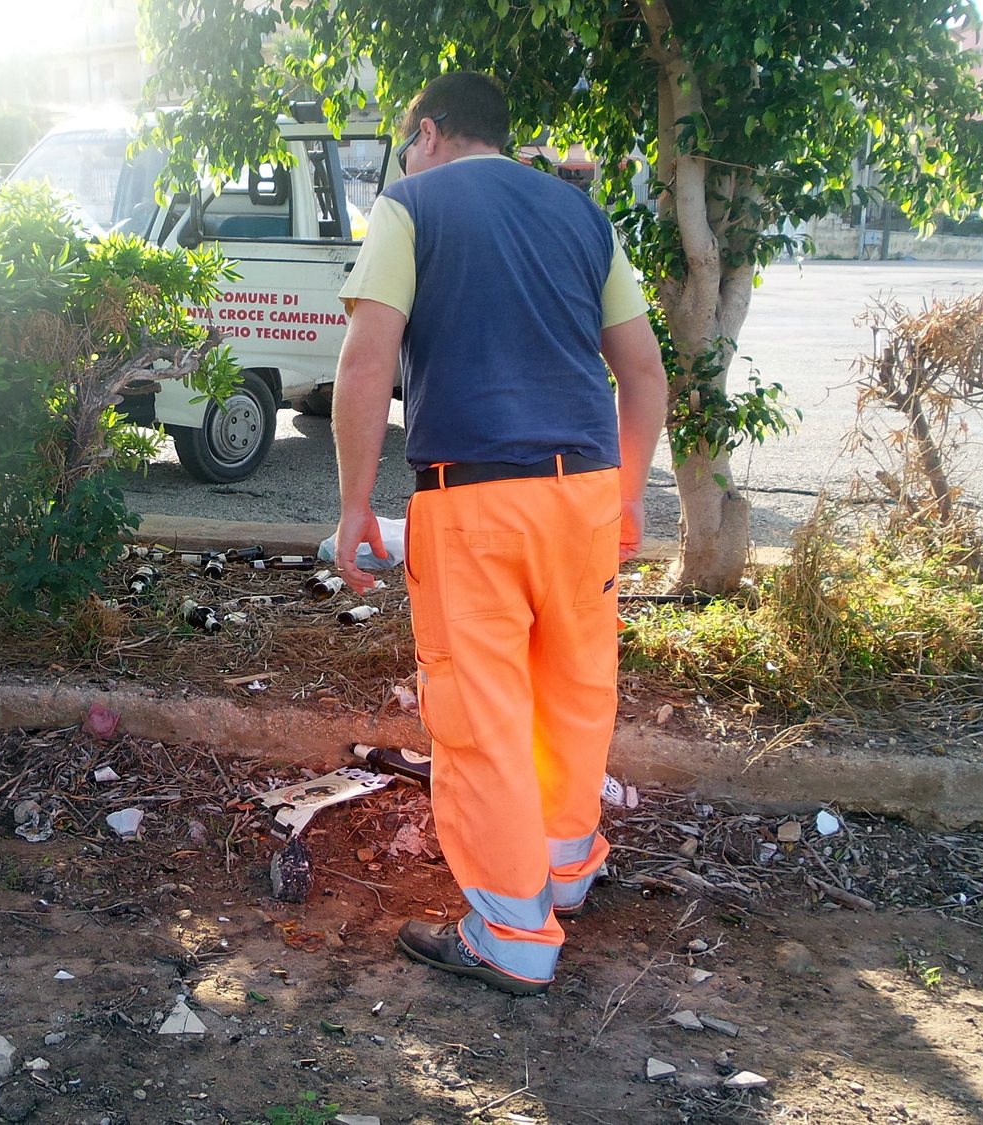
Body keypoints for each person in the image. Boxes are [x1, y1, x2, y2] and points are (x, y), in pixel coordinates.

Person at [329, 73, 667, 994]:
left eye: (408, 143)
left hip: (473, 499)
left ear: (428, 132)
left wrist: (355, 503)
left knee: (480, 717)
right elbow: (643, 373)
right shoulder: (582, 217)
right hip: (585, 497)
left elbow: (365, 363)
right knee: (575, 693)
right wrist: (630, 496)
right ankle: (567, 871)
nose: (407, 159)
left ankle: (511, 931)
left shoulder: (408, 207)